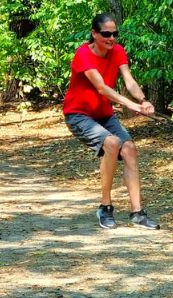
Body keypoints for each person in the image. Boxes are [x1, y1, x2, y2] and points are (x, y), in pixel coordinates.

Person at [63, 13, 159, 230]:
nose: (111, 38)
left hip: (104, 115)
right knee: (112, 143)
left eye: (115, 33)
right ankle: (105, 207)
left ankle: (137, 213)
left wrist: (143, 101)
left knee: (130, 149)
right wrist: (130, 105)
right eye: (106, 34)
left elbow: (129, 80)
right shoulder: (83, 54)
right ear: (94, 34)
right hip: (78, 115)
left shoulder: (118, 51)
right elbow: (101, 88)